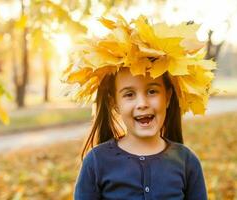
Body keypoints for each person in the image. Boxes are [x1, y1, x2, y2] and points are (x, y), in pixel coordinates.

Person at [62, 15, 216, 200]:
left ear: (167, 97)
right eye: (129, 94)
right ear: (114, 103)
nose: (142, 103)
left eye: (152, 91)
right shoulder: (96, 162)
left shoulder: (186, 162)